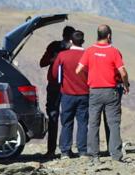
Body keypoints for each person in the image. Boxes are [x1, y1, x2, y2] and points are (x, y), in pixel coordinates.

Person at [76, 24, 130, 163]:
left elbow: (78, 69)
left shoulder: (89, 51)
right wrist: (125, 84)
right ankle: (116, 155)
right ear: (109, 36)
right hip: (110, 91)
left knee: (93, 124)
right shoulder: (113, 51)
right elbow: (122, 71)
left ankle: (94, 156)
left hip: (94, 91)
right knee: (113, 123)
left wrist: (91, 75)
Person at [51, 30, 89, 159]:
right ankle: (82, 151)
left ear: (71, 41)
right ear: (82, 41)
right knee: (83, 123)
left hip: (67, 94)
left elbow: (55, 74)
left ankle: (65, 151)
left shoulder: (62, 55)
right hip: (84, 94)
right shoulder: (87, 55)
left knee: (67, 122)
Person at [40, 25, 76, 158]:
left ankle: (63, 149)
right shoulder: (54, 46)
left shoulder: (73, 49)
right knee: (55, 117)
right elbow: (42, 62)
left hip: (66, 85)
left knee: (65, 117)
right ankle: (54, 149)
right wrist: (55, 59)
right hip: (57, 86)